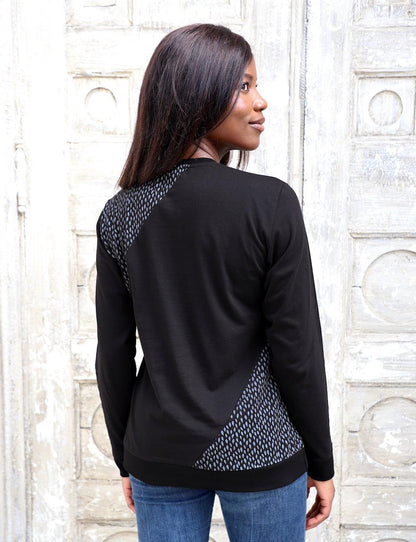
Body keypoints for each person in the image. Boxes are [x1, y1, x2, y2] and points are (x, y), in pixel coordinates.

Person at [94, 23, 335, 542]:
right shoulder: (270, 203)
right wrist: (322, 460)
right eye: (243, 86)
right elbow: (297, 349)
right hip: (262, 449)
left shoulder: (120, 215)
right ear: (197, 94)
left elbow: (112, 354)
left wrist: (125, 457)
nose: (260, 101)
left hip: (159, 450)